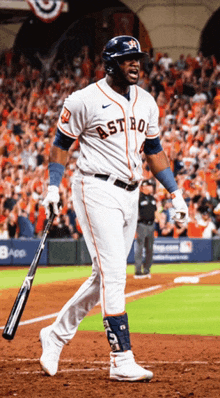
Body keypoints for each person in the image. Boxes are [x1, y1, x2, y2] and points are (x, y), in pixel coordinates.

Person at [40, 35, 188, 382]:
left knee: (103, 277)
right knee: (115, 275)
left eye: (138, 58)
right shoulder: (83, 100)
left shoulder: (147, 102)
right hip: (94, 188)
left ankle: (56, 334)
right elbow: (62, 143)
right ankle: (121, 359)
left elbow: (153, 149)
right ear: (109, 64)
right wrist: (52, 186)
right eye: (127, 59)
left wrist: (175, 192)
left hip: (130, 193)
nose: (135, 64)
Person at [134, 179, 157, 279]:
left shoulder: (152, 198)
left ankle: (147, 270)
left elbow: (154, 211)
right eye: (149, 186)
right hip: (141, 225)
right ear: (143, 187)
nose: (151, 187)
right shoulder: (138, 197)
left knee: (150, 249)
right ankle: (138, 271)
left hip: (151, 225)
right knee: (139, 248)